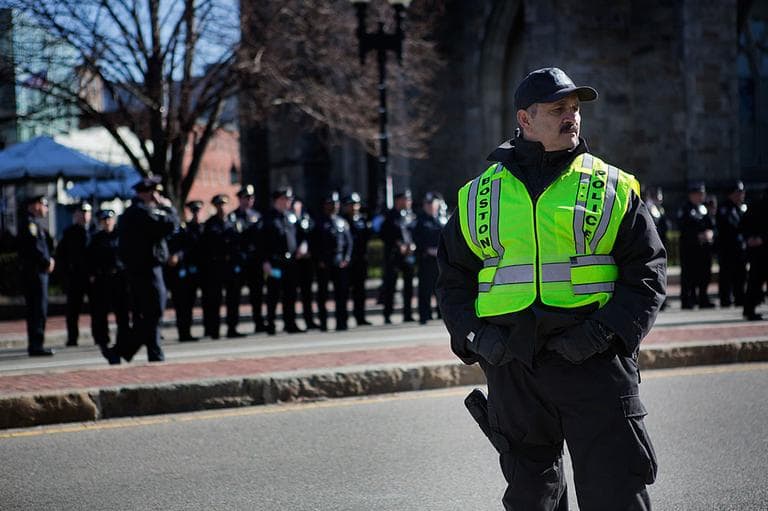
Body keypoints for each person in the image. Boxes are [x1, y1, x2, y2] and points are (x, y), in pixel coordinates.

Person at [436, 67, 665, 510]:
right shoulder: (477, 195)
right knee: (530, 498)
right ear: (525, 119)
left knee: (615, 492)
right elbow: (452, 280)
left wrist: (604, 334)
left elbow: (648, 272)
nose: (571, 117)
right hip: (513, 364)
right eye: (558, 108)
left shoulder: (613, 186)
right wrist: (476, 338)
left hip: (595, 361)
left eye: (575, 108)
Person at [115, 176, 179, 363]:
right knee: (155, 311)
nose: (157, 196)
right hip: (147, 270)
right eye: (155, 193)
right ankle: (123, 350)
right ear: (147, 193)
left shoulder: (140, 211)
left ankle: (152, 351)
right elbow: (169, 225)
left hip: (145, 269)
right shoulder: (140, 212)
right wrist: (168, 208)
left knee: (150, 312)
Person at [87, 209, 130, 359]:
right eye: (104, 220)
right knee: (101, 313)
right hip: (103, 280)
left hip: (119, 278)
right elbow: (90, 259)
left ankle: (122, 341)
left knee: (122, 313)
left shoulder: (121, 236)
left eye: (110, 219)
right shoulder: (96, 239)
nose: (107, 222)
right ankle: (103, 340)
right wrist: (93, 275)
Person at [262, 188, 303, 335]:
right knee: (273, 294)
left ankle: (290, 323)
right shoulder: (268, 218)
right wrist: (265, 261)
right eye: (286, 199)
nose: (289, 202)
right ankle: (271, 324)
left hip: (290, 262)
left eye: (290, 199)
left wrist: (302, 247)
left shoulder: (291, 216)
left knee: (290, 294)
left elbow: (300, 235)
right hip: (275, 263)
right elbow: (263, 243)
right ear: (278, 200)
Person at [18, 195, 55, 357]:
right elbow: (35, 248)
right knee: (38, 309)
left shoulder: (32, 223)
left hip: (36, 273)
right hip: (35, 274)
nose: (46, 209)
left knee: (37, 309)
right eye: (44, 205)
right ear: (35, 205)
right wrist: (47, 262)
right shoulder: (30, 224)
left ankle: (36, 344)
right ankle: (36, 345)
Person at [227, 185, 264, 337]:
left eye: (251, 198)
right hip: (239, 263)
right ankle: (232, 327)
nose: (249, 201)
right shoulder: (232, 217)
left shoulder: (257, 216)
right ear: (240, 199)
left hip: (254, 262)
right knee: (234, 296)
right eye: (246, 198)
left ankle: (259, 323)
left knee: (257, 294)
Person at [313, 191, 353, 331]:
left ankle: (342, 322)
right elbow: (315, 244)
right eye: (331, 204)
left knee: (341, 294)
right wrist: (319, 260)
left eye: (336, 204)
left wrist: (346, 258)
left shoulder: (342, 222)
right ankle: (323, 323)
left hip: (339, 261)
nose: (334, 206)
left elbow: (349, 242)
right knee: (323, 295)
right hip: (325, 262)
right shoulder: (319, 222)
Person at [55, 202, 93, 346]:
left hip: (92, 277)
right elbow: (61, 255)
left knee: (97, 309)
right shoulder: (69, 232)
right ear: (76, 215)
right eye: (81, 212)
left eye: (87, 212)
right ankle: (72, 338)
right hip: (75, 276)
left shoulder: (95, 230)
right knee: (73, 310)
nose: (84, 215)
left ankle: (99, 336)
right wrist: (66, 275)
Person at [167, 200, 205, 341]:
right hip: (183, 273)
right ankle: (183, 332)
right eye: (193, 211)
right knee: (182, 304)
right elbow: (180, 249)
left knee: (190, 303)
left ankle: (187, 332)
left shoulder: (202, 228)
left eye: (198, 211)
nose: (196, 214)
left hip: (196, 272)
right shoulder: (183, 229)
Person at [201, 194, 235, 339]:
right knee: (214, 300)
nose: (222, 208)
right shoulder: (210, 224)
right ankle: (213, 330)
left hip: (230, 267)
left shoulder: (233, 223)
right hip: (215, 267)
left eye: (224, 205)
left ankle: (232, 328)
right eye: (219, 205)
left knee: (232, 299)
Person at [677, 182, 716, 309]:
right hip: (690, 248)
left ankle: (703, 298)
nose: (701, 196)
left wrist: (710, 233)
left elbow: (712, 225)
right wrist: (697, 236)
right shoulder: (685, 209)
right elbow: (683, 227)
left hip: (703, 248)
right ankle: (687, 299)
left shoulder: (704, 208)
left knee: (704, 274)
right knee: (689, 275)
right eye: (698, 194)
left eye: (702, 194)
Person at [381, 189, 416, 323]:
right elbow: (384, 235)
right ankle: (387, 314)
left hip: (408, 255)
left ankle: (408, 314)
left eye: (409, 200)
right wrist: (397, 244)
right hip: (393, 256)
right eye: (405, 199)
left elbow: (415, 233)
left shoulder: (411, 216)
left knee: (409, 287)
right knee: (390, 285)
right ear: (398, 201)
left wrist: (413, 245)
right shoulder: (389, 216)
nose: (408, 202)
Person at [412, 192, 445, 324]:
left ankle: (441, 313)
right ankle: (424, 315)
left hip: (440, 260)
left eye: (433, 204)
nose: (431, 206)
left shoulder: (442, 219)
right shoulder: (420, 221)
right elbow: (417, 239)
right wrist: (427, 249)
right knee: (425, 289)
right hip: (426, 259)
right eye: (428, 204)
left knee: (441, 288)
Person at [342, 192, 372, 326]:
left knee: (360, 291)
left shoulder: (363, 220)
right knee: (344, 290)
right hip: (347, 261)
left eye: (355, 204)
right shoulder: (342, 221)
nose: (353, 207)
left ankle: (360, 317)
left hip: (360, 260)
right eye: (350, 204)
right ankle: (343, 318)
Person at [716, 180, 747, 308]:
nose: (742, 194)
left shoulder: (741, 207)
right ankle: (726, 299)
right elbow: (729, 227)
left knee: (741, 274)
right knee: (726, 275)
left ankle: (740, 297)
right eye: (739, 192)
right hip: (727, 249)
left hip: (740, 249)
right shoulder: (725, 208)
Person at [292, 196, 319, 329]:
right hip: (293, 261)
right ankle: (290, 322)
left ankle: (309, 320)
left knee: (307, 293)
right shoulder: (287, 219)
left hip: (306, 261)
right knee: (290, 294)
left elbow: (313, 236)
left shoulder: (307, 219)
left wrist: (309, 250)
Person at [742, 190, 768, 321]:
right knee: (755, 282)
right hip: (759, 250)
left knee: (754, 281)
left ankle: (749, 309)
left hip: (758, 250)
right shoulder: (757, 205)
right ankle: (749, 309)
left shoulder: (755, 204)